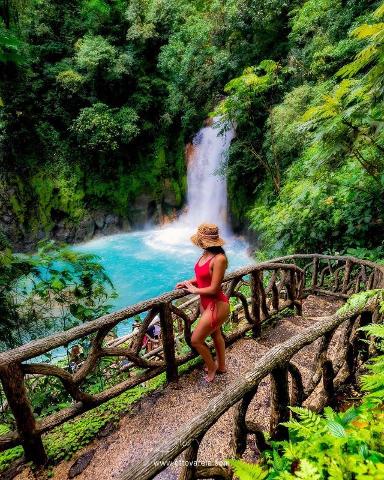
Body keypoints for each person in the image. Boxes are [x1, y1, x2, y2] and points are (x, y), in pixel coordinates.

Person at [175, 223, 230, 382]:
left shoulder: (219, 259)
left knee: (196, 340)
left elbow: (214, 288)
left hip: (217, 305)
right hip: (205, 304)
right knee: (216, 334)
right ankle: (222, 366)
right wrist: (188, 283)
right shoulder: (206, 253)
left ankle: (212, 366)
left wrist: (194, 290)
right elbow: (202, 277)